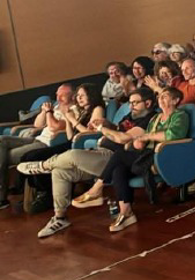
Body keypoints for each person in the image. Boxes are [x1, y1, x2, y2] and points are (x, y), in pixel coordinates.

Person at [22, 88, 158, 237]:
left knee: (72, 155)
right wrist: (106, 123)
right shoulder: (130, 116)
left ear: (148, 103)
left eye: (135, 103)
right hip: (99, 152)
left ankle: (44, 165)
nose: (131, 106)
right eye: (130, 102)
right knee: (61, 172)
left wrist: (102, 129)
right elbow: (116, 130)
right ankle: (60, 218)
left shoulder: (148, 119)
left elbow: (122, 138)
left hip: (114, 157)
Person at [100, 86, 190, 232]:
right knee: (119, 169)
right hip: (146, 154)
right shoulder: (155, 118)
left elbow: (173, 135)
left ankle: (98, 187)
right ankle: (126, 213)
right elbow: (143, 140)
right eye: (159, 96)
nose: (160, 99)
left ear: (175, 100)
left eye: (165, 96)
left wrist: (147, 137)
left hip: (165, 154)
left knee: (119, 156)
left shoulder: (180, 115)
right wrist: (139, 142)